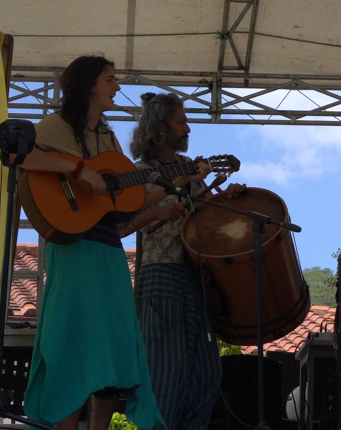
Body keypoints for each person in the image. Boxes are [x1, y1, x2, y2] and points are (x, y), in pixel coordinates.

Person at [19, 55, 165, 430]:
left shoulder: (109, 137)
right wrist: (77, 168)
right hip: (73, 248)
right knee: (75, 340)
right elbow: (24, 154)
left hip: (107, 252)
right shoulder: (55, 125)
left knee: (111, 346)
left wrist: (170, 187)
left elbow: (123, 204)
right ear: (88, 86)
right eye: (111, 79)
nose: (118, 87)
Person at [117, 92, 245, 430]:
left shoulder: (193, 172)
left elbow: (206, 219)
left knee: (206, 375)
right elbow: (133, 220)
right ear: (161, 128)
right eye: (181, 121)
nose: (188, 127)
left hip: (196, 279)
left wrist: (224, 198)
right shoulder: (140, 173)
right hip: (161, 276)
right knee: (166, 376)